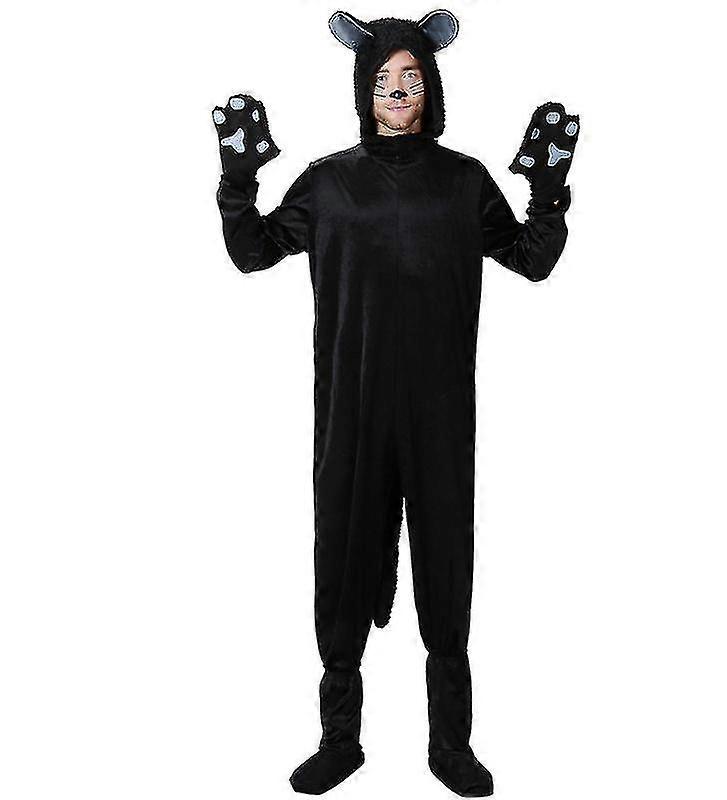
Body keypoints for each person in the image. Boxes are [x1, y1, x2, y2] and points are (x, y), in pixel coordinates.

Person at [212, 9, 579, 797]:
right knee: (342, 563)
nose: (398, 91)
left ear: (432, 86)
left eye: (411, 77)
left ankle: (450, 744)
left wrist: (548, 194)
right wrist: (238, 183)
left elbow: (530, 259)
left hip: (441, 414)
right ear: (362, 89)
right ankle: (339, 739)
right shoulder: (328, 183)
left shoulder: (464, 183)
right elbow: (253, 252)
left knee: (446, 566)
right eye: (383, 79)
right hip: (352, 410)